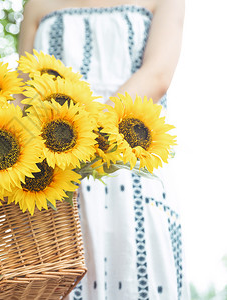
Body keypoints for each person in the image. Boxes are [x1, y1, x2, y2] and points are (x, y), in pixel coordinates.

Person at [17, 0, 188, 299]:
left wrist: (82, 131)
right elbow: (23, 92)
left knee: (136, 270)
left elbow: (158, 75)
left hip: (128, 161)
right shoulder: (36, 4)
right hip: (52, 170)